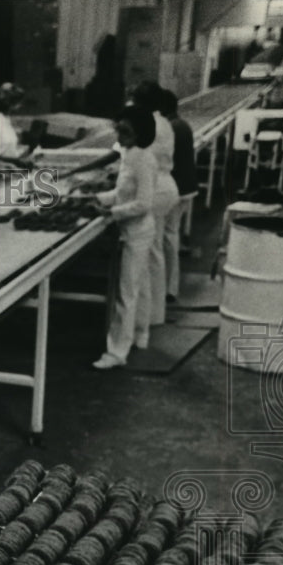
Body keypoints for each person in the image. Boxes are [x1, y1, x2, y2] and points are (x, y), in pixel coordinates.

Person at [92, 106, 157, 370]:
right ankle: (140, 336)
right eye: (119, 129)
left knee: (126, 293)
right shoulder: (130, 154)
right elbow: (123, 192)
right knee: (136, 286)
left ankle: (117, 352)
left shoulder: (144, 159)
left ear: (139, 133)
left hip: (137, 231)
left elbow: (143, 203)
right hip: (131, 230)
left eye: (125, 131)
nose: (119, 135)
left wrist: (111, 212)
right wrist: (97, 197)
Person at [131, 81, 179, 326]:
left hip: (155, 189)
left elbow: (128, 154)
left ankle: (144, 317)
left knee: (145, 253)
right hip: (165, 185)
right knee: (155, 251)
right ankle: (154, 314)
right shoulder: (163, 122)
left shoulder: (149, 124)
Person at [159, 88, 198, 303]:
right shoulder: (182, 124)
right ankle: (169, 286)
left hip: (177, 190)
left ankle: (168, 289)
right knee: (171, 236)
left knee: (168, 237)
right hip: (186, 187)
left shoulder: (171, 128)